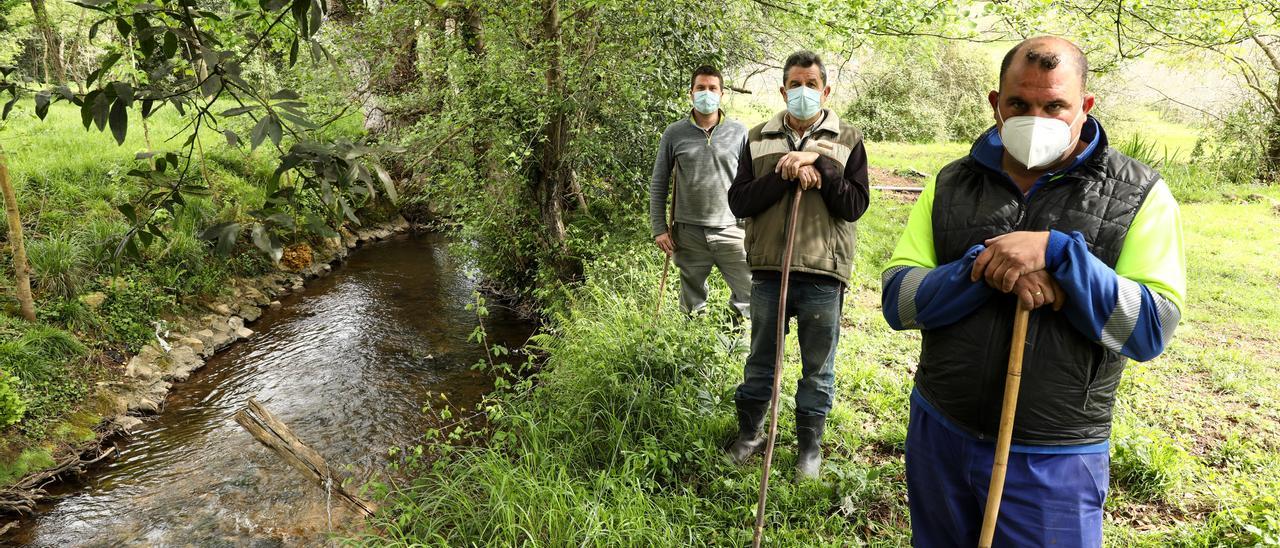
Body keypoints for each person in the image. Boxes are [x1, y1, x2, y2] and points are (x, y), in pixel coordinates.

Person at [881, 36, 1185, 546]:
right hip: (942, 431)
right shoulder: (952, 184)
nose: (1035, 117)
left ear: (1084, 107)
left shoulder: (1141, 195)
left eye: (1055, 105)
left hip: (1056, 455)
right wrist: (983, 267)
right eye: (1019, 104)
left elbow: (1150, 329)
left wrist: (1064, 259)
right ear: (995, 103)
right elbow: (899, 299)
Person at [725, 51, 871, 479]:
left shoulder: (849, 138)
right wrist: (785, 173)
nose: (803, 92)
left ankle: (809, 448)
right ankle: (750, 434)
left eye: (811, 84)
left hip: (823, 271)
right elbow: (740, 200)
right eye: (795, 84)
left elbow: (854, 205)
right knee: (760, 363)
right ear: (783, 89)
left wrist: (819, 165)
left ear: (825, 90)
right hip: (769, 268)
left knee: (817, 369)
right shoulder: (758, 137)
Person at [649, 65, 752, 321]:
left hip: (732, 230)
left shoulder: (739, 132)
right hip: (688, 232)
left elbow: (751, 182)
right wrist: (659, 228)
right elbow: (659, 182)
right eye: (701, 88)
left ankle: (736, 348)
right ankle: (695, 353)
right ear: (691, 94)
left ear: (722, 94)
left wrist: (752, 226)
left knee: (748, 296)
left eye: (712, 88)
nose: (707, 93)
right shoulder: (674, 133)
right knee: (691, 304)